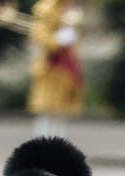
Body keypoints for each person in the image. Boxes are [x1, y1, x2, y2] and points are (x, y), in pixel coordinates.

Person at [27, 0, 84, 137]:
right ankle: (42, 144)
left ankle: (59, 146)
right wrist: (57, 40)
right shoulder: (46, 8)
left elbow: (76, 37)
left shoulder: (74, 9)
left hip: (68, 65)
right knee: (46, 109)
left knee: (62, 111)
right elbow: (38, 35)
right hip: (50, 65)